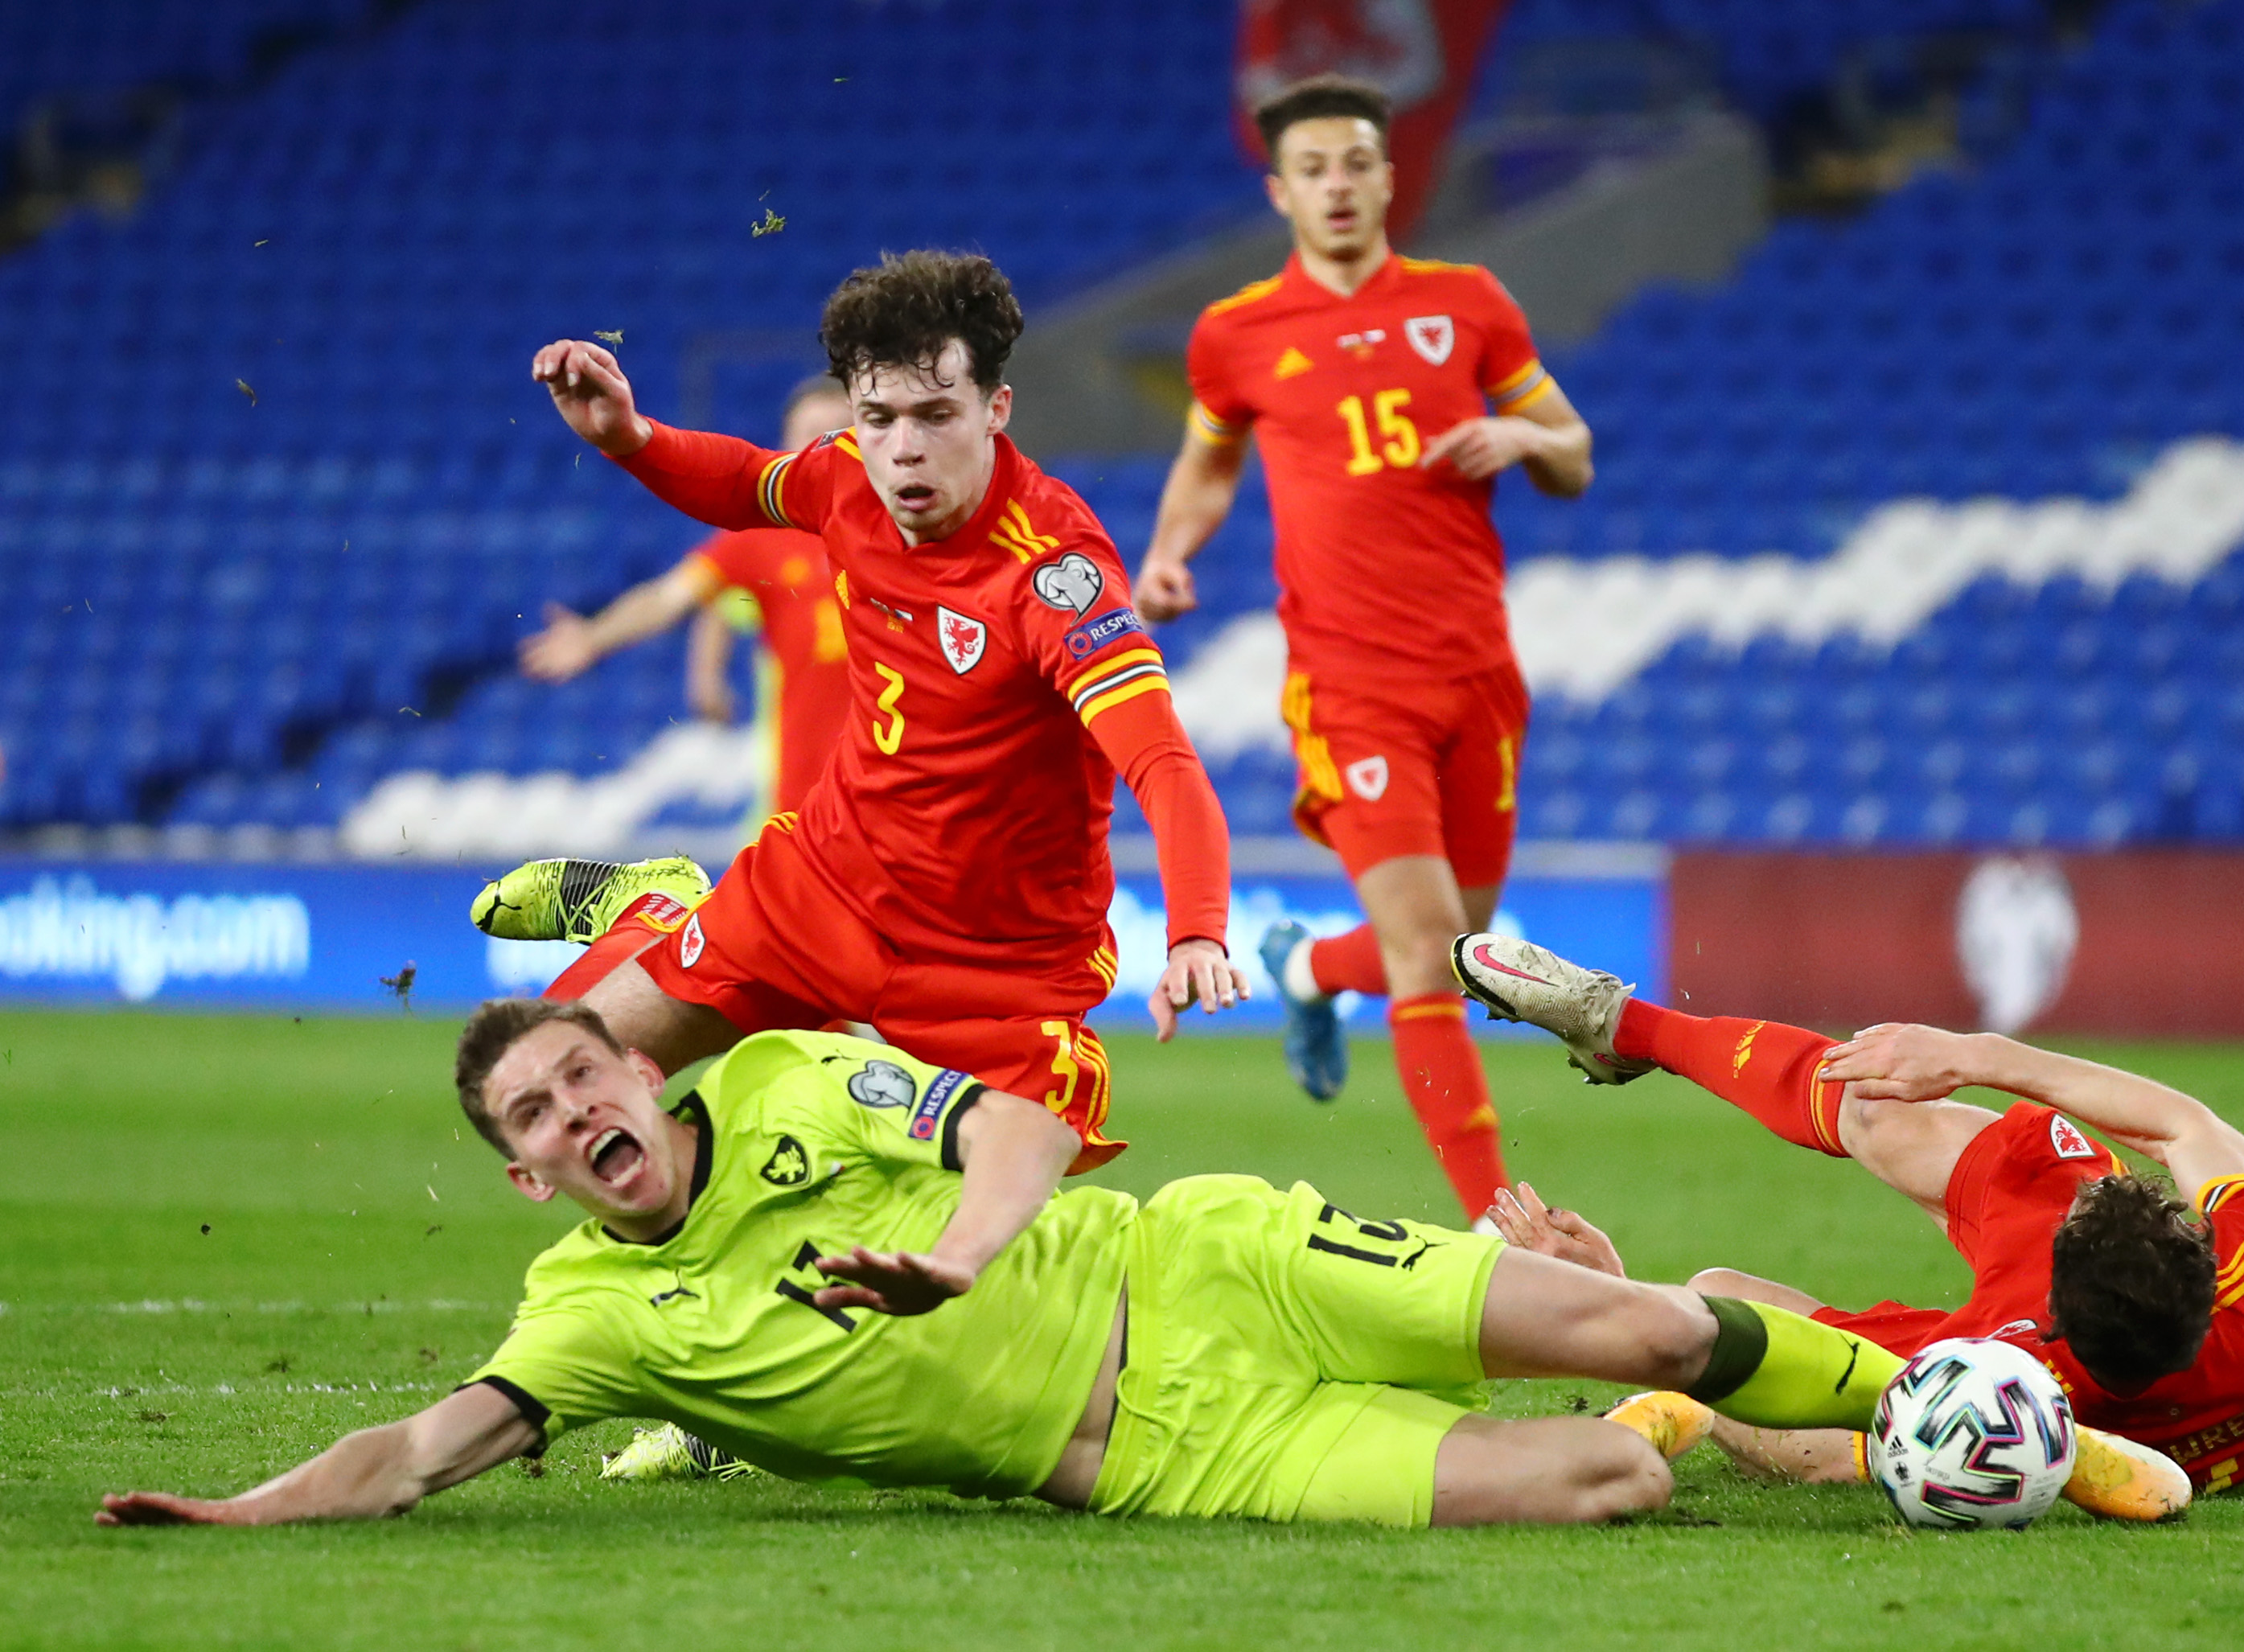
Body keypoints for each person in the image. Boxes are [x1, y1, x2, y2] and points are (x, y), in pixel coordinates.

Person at [94, 997, 1921, 1531]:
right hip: (1175, 1458)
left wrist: (962, 1259)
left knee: (1636, 1314)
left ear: (638, 1068)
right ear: (525, 1174)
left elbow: (1023, 1133)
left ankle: (1933, 1400)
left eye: (586, 1072)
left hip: (1215, 1269)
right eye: (541, 1115)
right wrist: (246, 1510)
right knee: (1603, 1462)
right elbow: (421, 1446)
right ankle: (1722, 1411)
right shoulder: (588, 1319)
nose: (580, 1112)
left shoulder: (798, 1073)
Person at [488, 252, 1248, 1177]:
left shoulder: (1055, 573)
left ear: (994, 411)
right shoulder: (849, 475)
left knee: (981, 1258)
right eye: (878, 418)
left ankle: (672, 920)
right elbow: (746, 483)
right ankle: (663, 912)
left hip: (993, 969)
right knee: (552, 1084)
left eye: (936, 416)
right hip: (825, 885)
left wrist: (1199, 928)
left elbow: (1163, 762)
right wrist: (631, 436)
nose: (903, 449)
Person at [1133, 75, 1593, 1223]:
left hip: (1478, 672)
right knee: (1435, 943)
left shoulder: (1469, 304)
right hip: (1347, 683)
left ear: (1388, 177)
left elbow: (1576, 451)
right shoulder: (1234, 335)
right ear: (1278, 190)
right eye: (1312, 169)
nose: (1335, 186)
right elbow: (1207, 462)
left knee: (1459, 952)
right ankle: (1499, 1219)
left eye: (1354, 164)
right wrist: (1167, 553)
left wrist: (1520, 433)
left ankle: (1303, 969)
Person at [1453, 931, 2244, 1500]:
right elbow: (2181, 1123)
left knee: (1716, 1296)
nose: (2121, 1177)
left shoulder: (1999, 1376)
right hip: (2136, 1353)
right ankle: (1620, 1026)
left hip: (2029, 1349)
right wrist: (1970, 1054)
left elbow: (1813, 1447)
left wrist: (1634, 1308)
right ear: (2207, 1261)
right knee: (1879, 1103)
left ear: (2053, 1299)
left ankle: (1625, 1063)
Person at [516, 374, 856, 821]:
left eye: (838, 433)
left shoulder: (911, 530)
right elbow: (672, 597)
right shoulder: (763, 539)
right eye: (811, 435)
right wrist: (595, 635)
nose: (824, 449)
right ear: (787, 446)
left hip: (903, 797)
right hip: (805, 801)